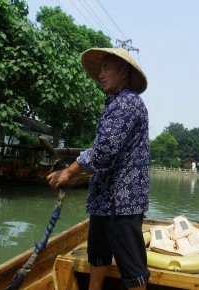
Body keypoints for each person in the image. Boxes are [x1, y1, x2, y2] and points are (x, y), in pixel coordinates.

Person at [47, 47, 150, 290]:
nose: (100, 75)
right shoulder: (114, 104)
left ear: (123, 72)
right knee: (98, 256)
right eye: (100, 69)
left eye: (106, 68)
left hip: (122, 204)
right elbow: (102, 150)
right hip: (104, 200)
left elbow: (103, 152)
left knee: (133, 271)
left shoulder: (127, 103)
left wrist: (69, 172)